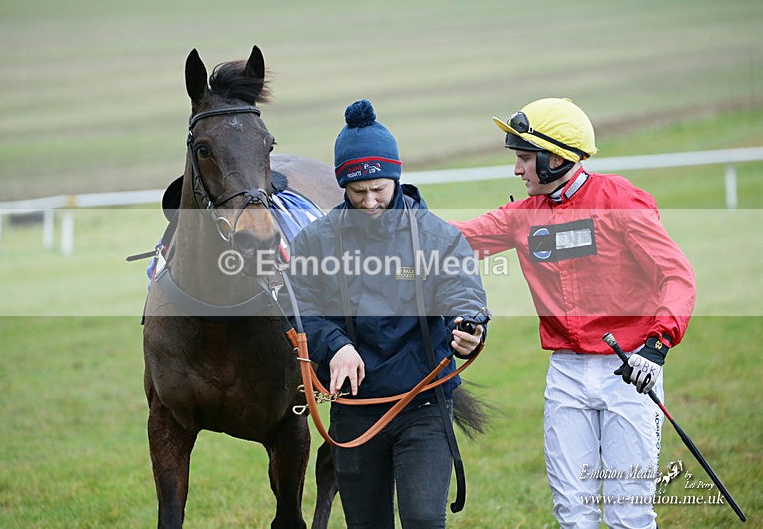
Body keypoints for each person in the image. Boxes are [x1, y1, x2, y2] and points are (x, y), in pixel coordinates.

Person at [451, 98, 696, 529]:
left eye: (524, 159)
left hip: (631, 369)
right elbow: (451, 242)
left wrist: (657, 347)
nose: (517, 170)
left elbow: (676, 278)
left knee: (628, 514)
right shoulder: (521, 217)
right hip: (566, 373)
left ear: (555, 157)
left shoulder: (620, 200)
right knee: (572, 513)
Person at [288, 99, 490, 528]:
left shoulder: (438, 237)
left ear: (396, 177)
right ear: (341, 185)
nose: (369, 200)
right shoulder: (316, 241)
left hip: (424, 403)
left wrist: (469, 327)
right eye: (357, 191)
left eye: (379, 188)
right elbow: (298, 305)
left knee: (422, 520)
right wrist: (336, 345)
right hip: (355, 406)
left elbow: (462, 291)